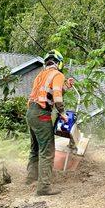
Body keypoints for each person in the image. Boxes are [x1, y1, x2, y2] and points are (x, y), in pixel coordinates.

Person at [25, 50, 74, 196]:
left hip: (31, 113)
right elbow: (57, 97)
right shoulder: (58, 74)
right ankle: (44, 188)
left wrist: (66, 87)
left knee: (35, 148)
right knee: (47, 151)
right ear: (59, 63)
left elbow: (50, 93)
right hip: (42, 114)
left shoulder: (40, 75)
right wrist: (63, 113)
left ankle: (30, 179)